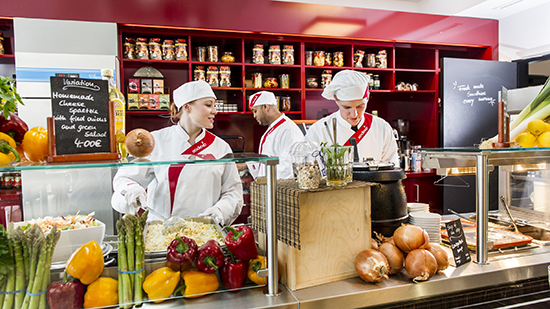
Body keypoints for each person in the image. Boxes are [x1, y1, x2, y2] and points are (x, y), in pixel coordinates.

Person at [111, 80, 243, 226]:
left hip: (205, 232)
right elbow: (124, 179)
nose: (215, 111)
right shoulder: (155, 141)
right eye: (208, 105)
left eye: (214, 105)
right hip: (162, 233)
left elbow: (233, 192)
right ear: (187, 107)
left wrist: (220, 211)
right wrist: (132, 189)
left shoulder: (221, 147)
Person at [305, 70, 399, 166]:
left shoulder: (382, 127)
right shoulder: (318, 131)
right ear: (336, 99)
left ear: (368, 97)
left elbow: (392, 168)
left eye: (360, 106)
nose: (354, 114)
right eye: (347, 107)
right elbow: (310, 171)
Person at [248, 91, 304, 179]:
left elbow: (287, 169)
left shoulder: (288, 130)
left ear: (266, 107)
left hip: (279, 190)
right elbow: (271, 160)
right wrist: (247, 165)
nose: (254, 116)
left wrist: (266, 182)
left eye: (255, 111)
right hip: (270, 188)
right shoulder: (275, 127)